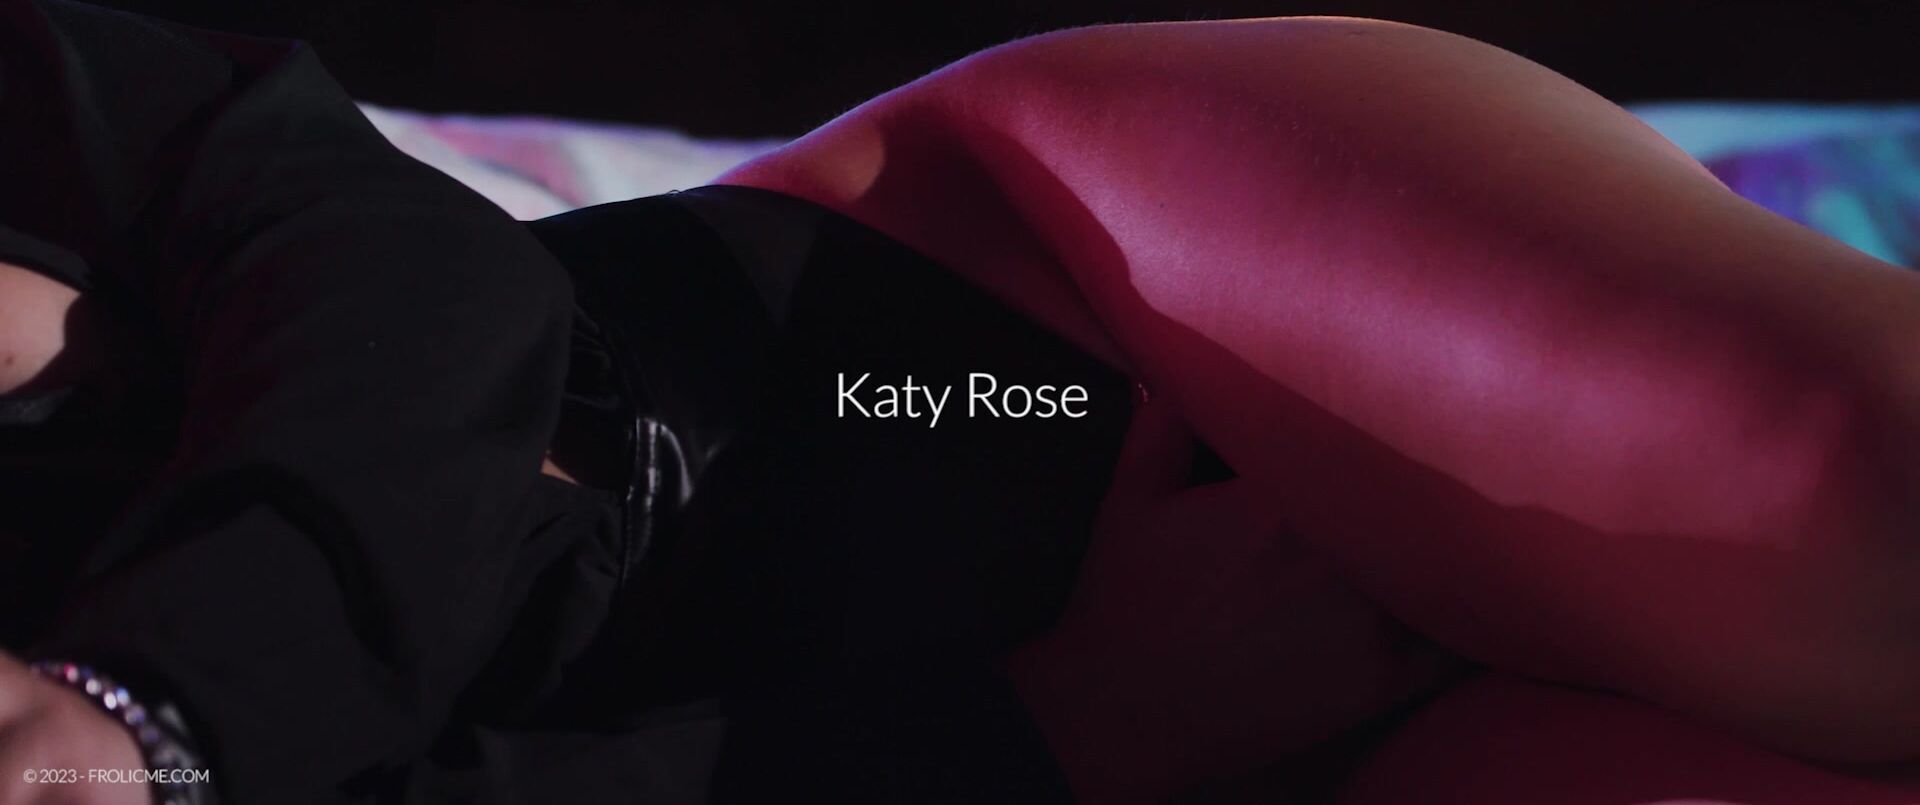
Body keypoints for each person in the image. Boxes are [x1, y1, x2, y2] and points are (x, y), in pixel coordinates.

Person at [3, 3, 1918, 804]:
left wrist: (151, 715)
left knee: (1865, 515)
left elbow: (419, 291)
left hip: (988, 331)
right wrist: (1042, 732)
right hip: (1033, 764)